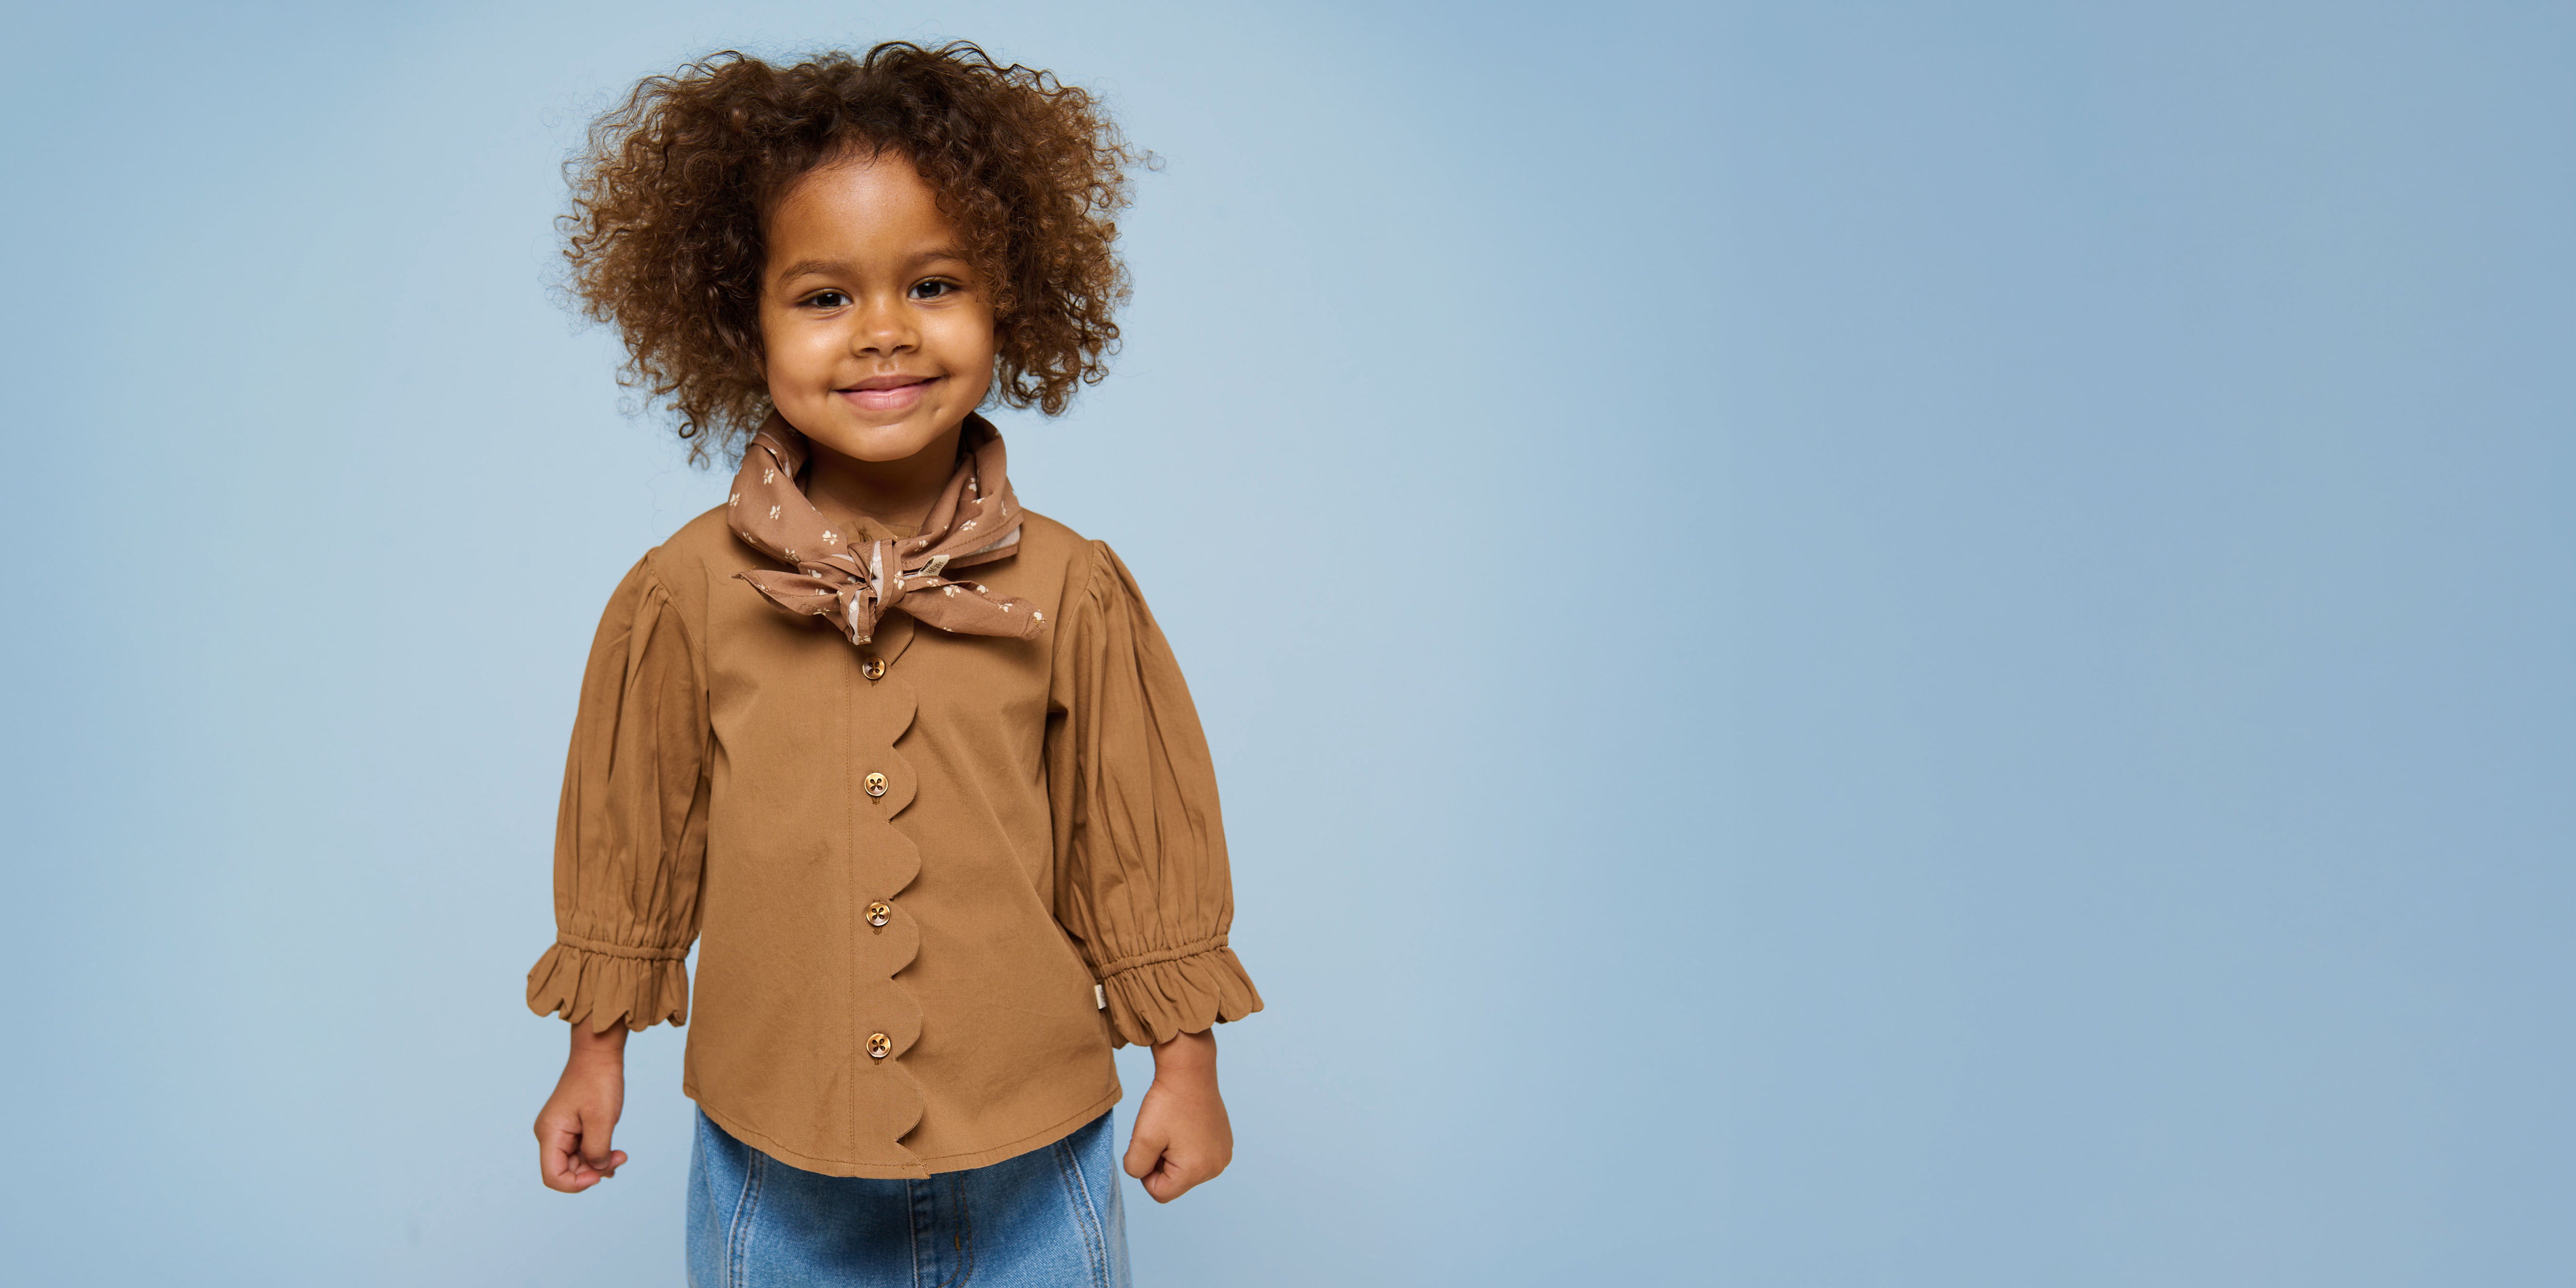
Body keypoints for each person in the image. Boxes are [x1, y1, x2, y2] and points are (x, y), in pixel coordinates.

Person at [522, 42, 1261, 1285]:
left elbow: (1134, 846)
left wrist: (1187, 1065)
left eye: (933, 284)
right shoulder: (683, 592)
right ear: (741, 321)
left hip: (1037, 1156)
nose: (882, 333)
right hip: (776, 1160)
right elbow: (635, 839)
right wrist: (595, 1055)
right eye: (824, 298)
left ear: (1007, 300)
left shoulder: (1073, 588)